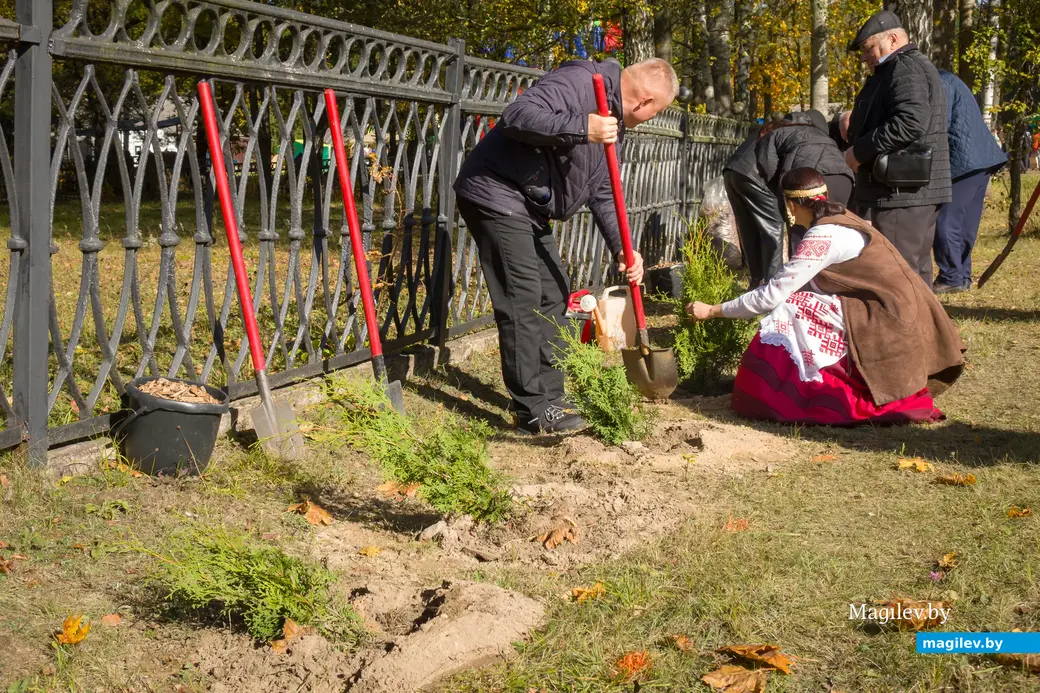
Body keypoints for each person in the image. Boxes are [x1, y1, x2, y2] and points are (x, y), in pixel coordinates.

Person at [453, 58, 678, 434]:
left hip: (528, 204)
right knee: (523, 296)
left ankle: (551, 399)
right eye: (657, 111)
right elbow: (517, 116)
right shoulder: (579, 82)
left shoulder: (614, 123)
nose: (652, 119)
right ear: (645, 101)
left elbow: (603, 190)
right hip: (495, 192)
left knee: (555, 293)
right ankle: (532, 410)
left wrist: (622, 246)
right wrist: (581, 127)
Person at [686, 167, 966, 426]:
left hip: (887, 317)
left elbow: (771, 296)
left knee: (792, 306)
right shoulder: (845, 218)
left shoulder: (823, 237)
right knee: (804, 300)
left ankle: (795, 395)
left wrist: (713, 310)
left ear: (790, 205)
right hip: (899, 309)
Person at [845, 10, 952, 288]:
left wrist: (859, 152)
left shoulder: (904, 67)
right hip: (909, 192)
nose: (864, 57)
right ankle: (923, 332)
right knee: (915, 276)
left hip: (902, 193)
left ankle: (907, 332)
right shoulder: (905, 66)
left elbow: (911, 121)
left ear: (892, 39)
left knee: (898, 277)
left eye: (868, 48)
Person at [933, 70, 1008, 293]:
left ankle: (952, 277)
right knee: (964, 224)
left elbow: (939, 124)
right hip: (979, 160)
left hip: (963, 160)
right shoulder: (948, 79)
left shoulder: (939, 83)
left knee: (945, 222)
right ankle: (962, 275)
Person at [755, 109, 855, 249]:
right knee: (835, 229)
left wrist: (783, 196)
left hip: (808, 183)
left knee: (801, 235)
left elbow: (767, 167)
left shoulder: (772, 134)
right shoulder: (821, 134)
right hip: (843, 179)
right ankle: (834, 269)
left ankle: (803, 269)